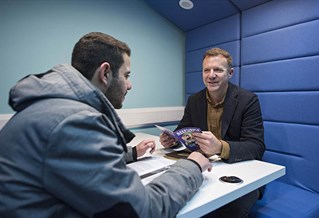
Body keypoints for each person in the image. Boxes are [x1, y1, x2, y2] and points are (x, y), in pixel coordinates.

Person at [0, 32, 212, 218]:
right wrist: (191, 166)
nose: (130, 84)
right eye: (126, 75)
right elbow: (143, 211)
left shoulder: (53, 108)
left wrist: (131, 154)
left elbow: (77, 161)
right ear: (105, 73)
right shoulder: (75, 121)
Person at [160, 48, 266, 218]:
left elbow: (256, 146)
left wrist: (220, 147)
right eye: (206, 70)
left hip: (242, 172)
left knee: (231, 212)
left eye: (218, 70)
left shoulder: (248, 100)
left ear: (230, 73)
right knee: (179, 200)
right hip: (207, 169)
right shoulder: (194, 100)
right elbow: (183, 130)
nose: (211, 75)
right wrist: (173, 140)